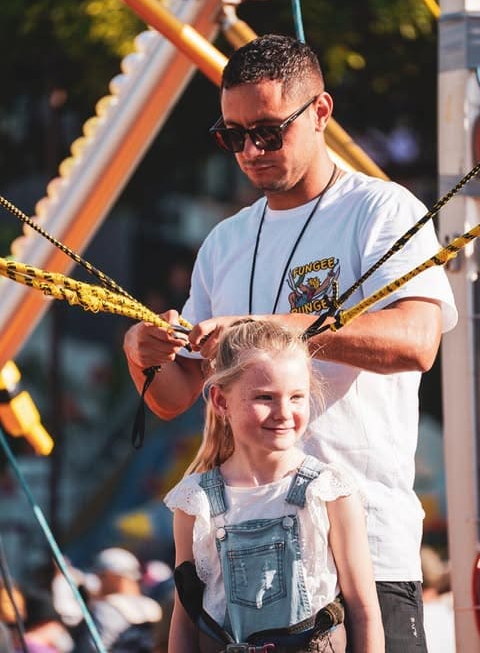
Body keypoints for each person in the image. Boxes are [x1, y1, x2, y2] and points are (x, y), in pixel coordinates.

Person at [123, 33, 457, 651]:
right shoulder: (223, 241)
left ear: (321, 112)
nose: (251, 150)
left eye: (269, 132)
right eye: (232, 136)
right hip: (236, 565)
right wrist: (142, 355)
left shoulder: (379, 210)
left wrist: (274, 326)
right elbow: (175, 397)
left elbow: (417, 340)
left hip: (365, 557)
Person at [164, 318, 384, 652]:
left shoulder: (328, 491)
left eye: (297, 397)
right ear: (221, 402)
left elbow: (364, 611)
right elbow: (185, 615)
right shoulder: (196, 501)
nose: (284, 412)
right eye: (265, 397)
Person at [75, 547, 162, 653]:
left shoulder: (105, 608)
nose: (99, 580)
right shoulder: (153, 606)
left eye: (102, 576)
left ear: (114, 576)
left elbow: (91, 649)